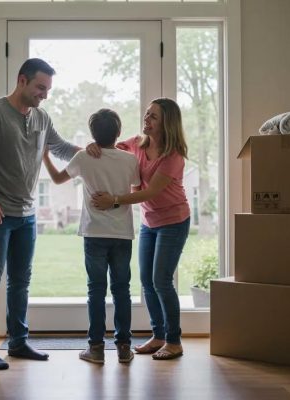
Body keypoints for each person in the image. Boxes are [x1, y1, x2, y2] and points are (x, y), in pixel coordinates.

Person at [0, 58, 80, 370]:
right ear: (22, 80)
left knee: (20, 281)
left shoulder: (42, 118)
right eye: (41, 87)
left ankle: (17, 342)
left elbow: (62, 148)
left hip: (27, 216)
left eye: (48, 89)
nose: (45, 94)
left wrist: (95, 151)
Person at [91, 97, 190, 360]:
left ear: (166, 123)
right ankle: (158, 336)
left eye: (153, 116)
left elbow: (151, 192)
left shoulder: (173, 156)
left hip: (174, 221)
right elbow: (110, 149)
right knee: (147, 281)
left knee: (161, 281)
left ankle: (174, 341)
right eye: (147, 114)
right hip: (150, 222)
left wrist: (113, 200)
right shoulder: (136, 144)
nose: (146, 119)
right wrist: (93, 147)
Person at [41, 109, 140, 364]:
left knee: (96, 291)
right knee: (122, 291)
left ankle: (96, 348)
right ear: (118, 132)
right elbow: (137, 188)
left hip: (94, 233)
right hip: (121, 234)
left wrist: (45, 158)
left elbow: (57, 178)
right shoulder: (130, 160)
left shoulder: (84, 158)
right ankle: (124, 348)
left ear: (93, 134)